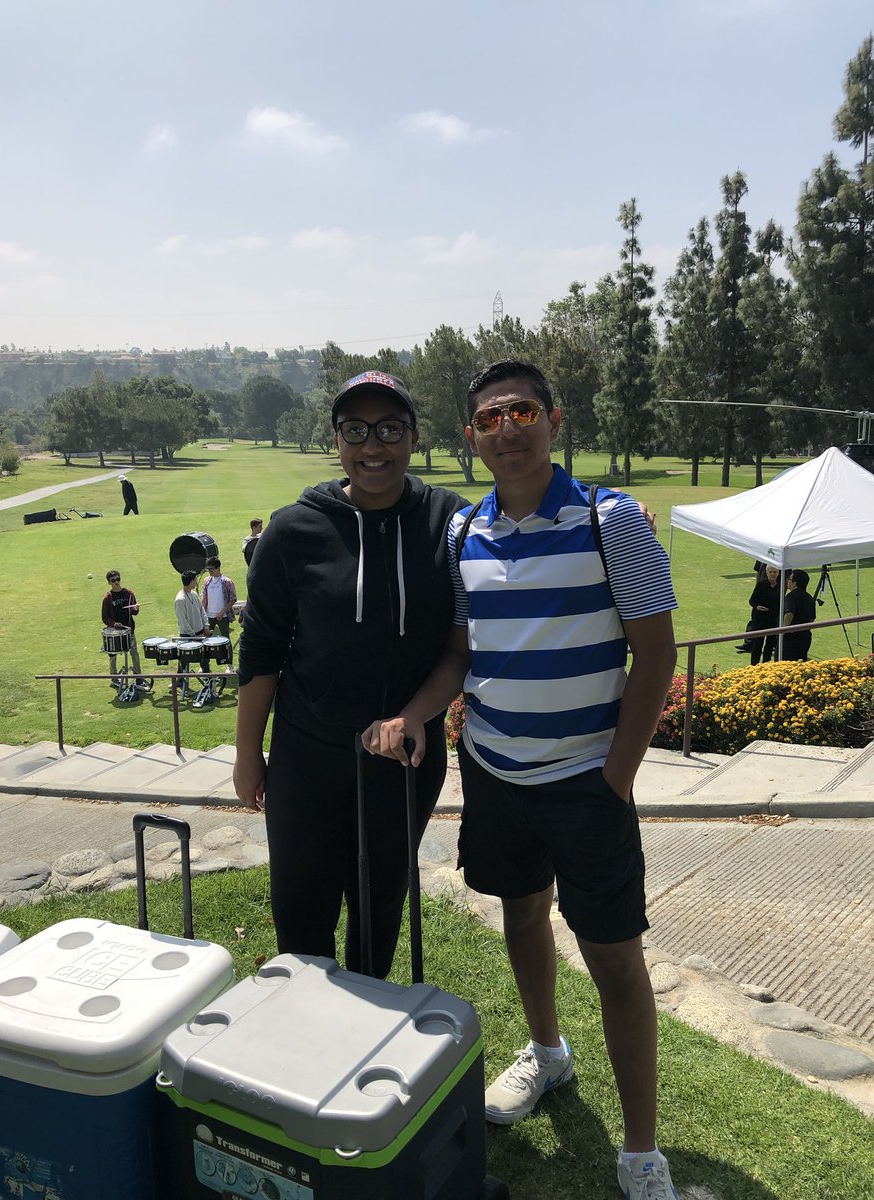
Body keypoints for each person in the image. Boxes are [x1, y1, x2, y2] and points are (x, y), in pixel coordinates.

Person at [363, 360, 679, 1200]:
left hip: (587, 783)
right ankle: (547, 1055)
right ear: (470, 438)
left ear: (553, 420)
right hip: (495, 771)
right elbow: (463, 657)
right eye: (490, 418)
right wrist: (418, 714)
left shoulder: (613, 523)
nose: (507, 429)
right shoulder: (467, 534)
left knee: (614, 957)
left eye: (522, 411)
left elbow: (655, 653)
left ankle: (641, 1153)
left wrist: (616, 777)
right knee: (523, 912)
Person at [233, 370, 467, 980]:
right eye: (355, 430)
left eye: (390, 429)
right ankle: (304, 1042)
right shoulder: (294, 530)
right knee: (301, 913)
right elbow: (260, 652)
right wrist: (246, 755)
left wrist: (413, 714)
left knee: (378, 910)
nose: (373, 447)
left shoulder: (451, 522)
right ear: (336, 440)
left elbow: (461, 646)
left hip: (401, 759)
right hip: (306, 756)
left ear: (413, 438)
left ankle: (365, 1035)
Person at [100, 569, 144, 685]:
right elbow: (105, 617)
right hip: (115, 632)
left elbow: (134, 612)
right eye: (113, 580)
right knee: (112, 655)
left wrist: (136, 608)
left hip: (129, 630)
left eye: (118, 579)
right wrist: (114, 624)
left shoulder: (129, 594)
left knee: (134, 653)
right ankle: (114, 678)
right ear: (109, 582)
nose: (116, 582)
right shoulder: (107, 598)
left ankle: (138, 677)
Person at [174, 570, 210, 698]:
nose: (196, 581)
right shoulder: (180, 599)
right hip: (188, 637)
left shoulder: (194, 594)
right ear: (190, 581)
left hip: (199, 633)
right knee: (184, 661)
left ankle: (208, 680)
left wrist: (205, 626)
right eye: (195, 579)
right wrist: (194, 634)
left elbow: (202, 611)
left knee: (204, 659)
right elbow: (182, 621)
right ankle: (180, 681)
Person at [747, 565, 781, 665]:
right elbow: (752, 601)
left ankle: (766, 664)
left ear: (778, 573)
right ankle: (754, 665)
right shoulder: (761, 585)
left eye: (775, 572)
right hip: (760, 619)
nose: (773, 574)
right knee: (758, 643)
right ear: (766, 573)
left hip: (773, 619)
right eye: (770, 572)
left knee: (770, 644)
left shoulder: (780, 585)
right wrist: (757, 607)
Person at [782, 569, 816, 661]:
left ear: (794, 583)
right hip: (805, 636)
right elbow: (812, 619)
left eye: (789, 579)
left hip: (791, 637)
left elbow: (789, 614)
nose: (787, 581)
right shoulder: (809, 598)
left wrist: (783, 630)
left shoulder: (790, 597)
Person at [201, 556, 237, 643]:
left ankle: (227, 656)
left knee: (226, 639)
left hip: (223, 616)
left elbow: (233, 599)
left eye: (211, 569)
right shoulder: (206, 581)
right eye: (208, 569)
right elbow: (203, 597)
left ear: (218, 568)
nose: (209, 571)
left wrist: (222, 612)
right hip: (209, 616)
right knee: (205, 640)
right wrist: (202, 613)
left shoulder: (227, 582)